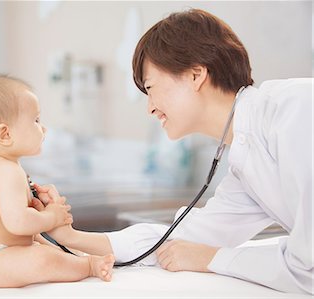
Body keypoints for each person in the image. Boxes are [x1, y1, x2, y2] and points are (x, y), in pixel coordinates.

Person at [33, 9, 313, 294]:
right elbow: (176, 241)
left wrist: (212, 259)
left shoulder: (297, 109)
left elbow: (307, 266)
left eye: (151, 87)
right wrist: (67, 235)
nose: (150, 108)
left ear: (195, 74)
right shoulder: (246, 163)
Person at [0, 74, 115, 289]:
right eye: (36, 120)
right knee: (42, 260)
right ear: (5, 134)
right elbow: (18, 223)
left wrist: (42, 222)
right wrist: (51, 217)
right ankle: (88, 266)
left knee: (48, 252)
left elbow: (21, 228)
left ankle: (78, 260)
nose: (43, 128)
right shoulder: (6, 170)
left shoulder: (5, 166)